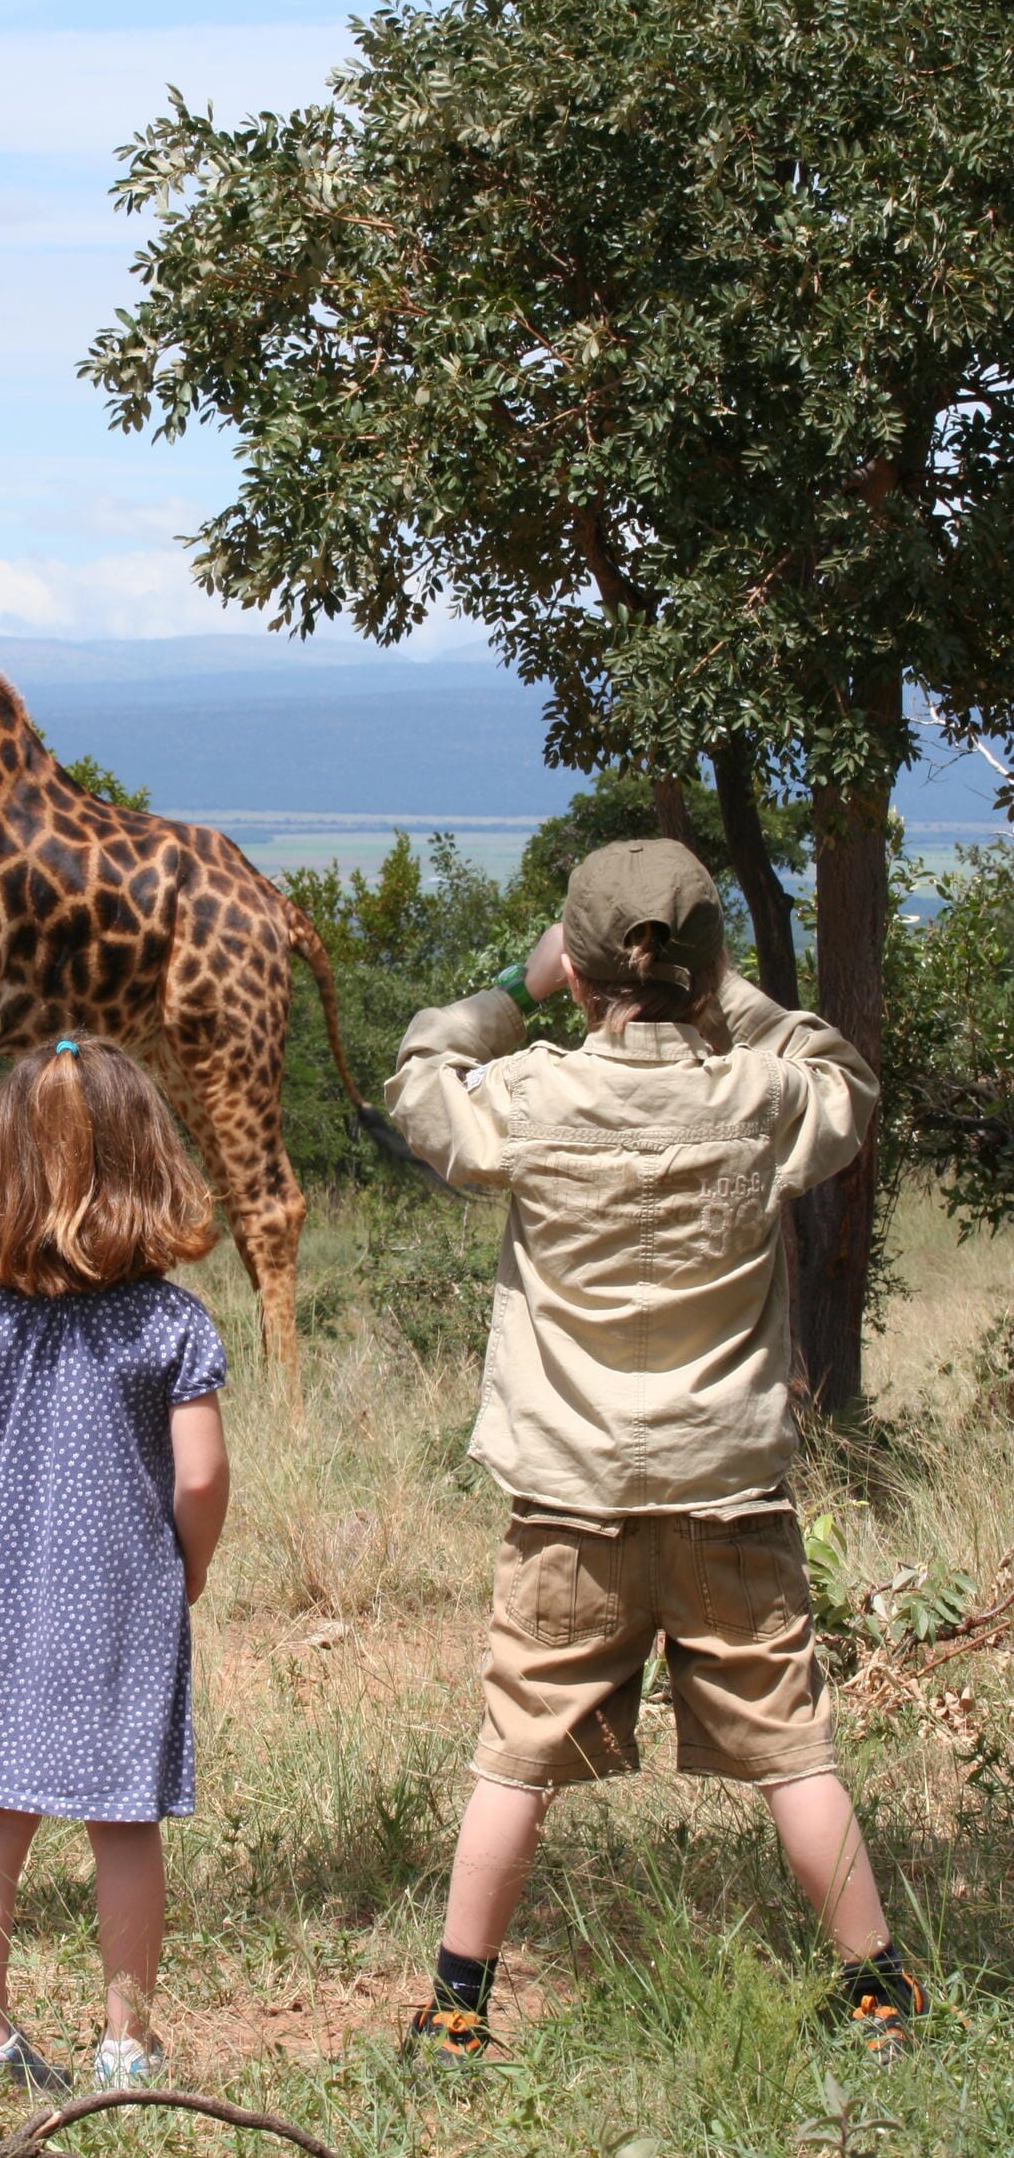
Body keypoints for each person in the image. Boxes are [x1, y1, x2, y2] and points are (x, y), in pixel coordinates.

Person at [385, 839, 927, 2067]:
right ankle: (879, 1989)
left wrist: (514, 994)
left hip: (568, 1501)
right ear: (709, 968)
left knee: (515, 1755)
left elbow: (422, 1073)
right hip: (730, 1493)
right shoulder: (760, 1099)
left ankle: (460, 2007)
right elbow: (841, 1076)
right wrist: (725, 993)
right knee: (792, 1745)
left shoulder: (528, 1096)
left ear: (578, 975)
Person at [0, 1035, 230, 2096]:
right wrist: (184, 1569)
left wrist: (8, 1535)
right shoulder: (173, 1325)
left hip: (4, 1600)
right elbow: (199, 1479)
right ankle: (127, 2046)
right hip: (126, 1601)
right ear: (151, 1158)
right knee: (124, 1822)